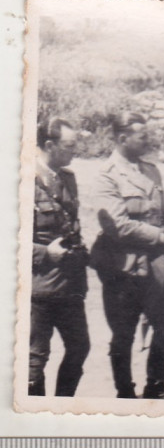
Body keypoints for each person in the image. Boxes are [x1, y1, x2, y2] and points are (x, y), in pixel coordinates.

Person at [91, 112, 164, 399]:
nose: (148, 140)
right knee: (123, 334)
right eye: (142, 136)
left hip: (156, 263)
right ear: (122, 138)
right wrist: (161, 237)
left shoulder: (151, 170)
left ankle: (155, 383)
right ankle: (125, 392)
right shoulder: (107, 175)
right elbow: (118, 226)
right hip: (123, 266)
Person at [29, 117, 90, 396]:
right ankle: (34, 418)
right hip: (38, 289)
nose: (74, 152)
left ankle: (61, 406)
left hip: (69, 285)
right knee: (34, 362)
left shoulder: (67, 178)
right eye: (69, 146)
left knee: (80, 347)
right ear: (50, 145)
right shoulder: (21, 181)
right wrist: (44, 252)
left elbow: (69, 222)